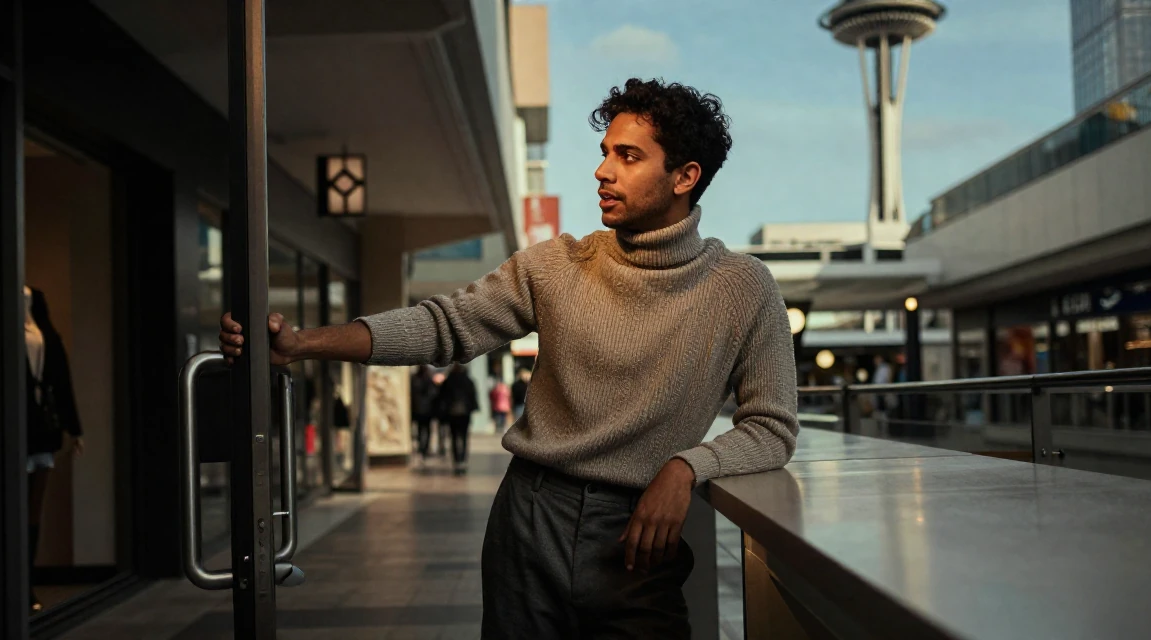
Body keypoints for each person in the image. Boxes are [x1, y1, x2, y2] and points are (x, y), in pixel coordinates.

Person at [219, 78, 799, 638]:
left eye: (628, 156)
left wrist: (686, 467)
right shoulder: (557, 265)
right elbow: (443, 326)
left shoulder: (742, 288)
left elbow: (772, 427)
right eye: (604, 153)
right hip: (529, 519)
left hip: (641, 538)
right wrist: (300, 344)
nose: (602, 170)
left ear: (685, 176)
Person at [437, 364, 480, 475]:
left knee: (454, 437)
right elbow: (473, 396)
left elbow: (442, 397)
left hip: (452, 413)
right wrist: (474, 407)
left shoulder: (448, 381)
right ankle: (463, 460)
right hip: (465, 412)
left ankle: (456, 461)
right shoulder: (468, 381)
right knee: (464, 436)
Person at [410, 365, 438, 466]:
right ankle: (424, 449)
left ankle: (421, 448)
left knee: (420, 429)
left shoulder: (414, 379)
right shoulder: (428, 380)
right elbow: (434, 394)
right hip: (427, 410)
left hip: (417, 410)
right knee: (427, 430)